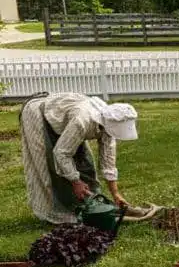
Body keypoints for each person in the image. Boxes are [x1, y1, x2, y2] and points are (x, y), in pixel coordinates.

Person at [19, 92, 139, 224]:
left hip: (63, 118)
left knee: (84, 163)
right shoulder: (82, 121)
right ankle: (56, 213)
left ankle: (90, 206)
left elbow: (108, 160)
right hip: (38, 114)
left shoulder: (109, 124)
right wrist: (76, 182)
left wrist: (115, 193)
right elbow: (61, 153)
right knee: (47, 166)